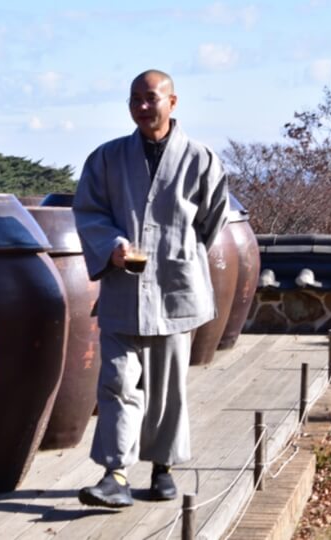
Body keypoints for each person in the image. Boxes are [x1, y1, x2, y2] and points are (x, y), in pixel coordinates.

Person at [72, 69, 228, 508]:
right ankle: (115, 473)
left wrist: (178, 251)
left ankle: (163, 467)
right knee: (118, 381)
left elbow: (211, 222)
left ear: (172, 102)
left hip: (176, 289)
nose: (143, 105)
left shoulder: (201, 159)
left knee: (167, 385)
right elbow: (88, 212)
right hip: (124, 286)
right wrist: (112, 245)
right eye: (135, 98)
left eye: (152, 97)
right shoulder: (106, 159)